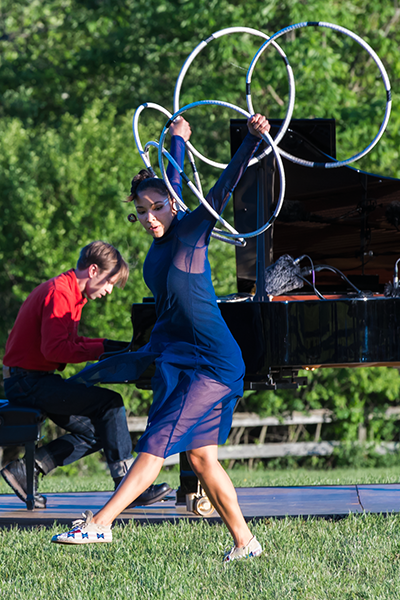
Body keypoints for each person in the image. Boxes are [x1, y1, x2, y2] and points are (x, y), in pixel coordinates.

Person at [51, 115, 270, 563]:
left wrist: (249, 141)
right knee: (202, 459)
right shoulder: (162, 235)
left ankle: (100, 525)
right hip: (184, 357)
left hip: (212, 363)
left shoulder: (191, 232)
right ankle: (246, 544)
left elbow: (221, 189)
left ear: (174, 205)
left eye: (157, 208)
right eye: (142, 210)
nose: (150, 217)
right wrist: (177, 139)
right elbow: (171, 177)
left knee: (156, 443)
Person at [1, 241, 171, 508]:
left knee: (98, 430)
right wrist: (104, 352)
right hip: (27, 382)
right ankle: (129, 486)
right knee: (110, 403)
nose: (109, 290)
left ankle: (26, 470)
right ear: (93, 270)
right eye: (109, 281)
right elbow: (55, 350)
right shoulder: (60, 294)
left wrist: (111, 347)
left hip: (33, 379)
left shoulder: (71, 293)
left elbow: (72, 343)